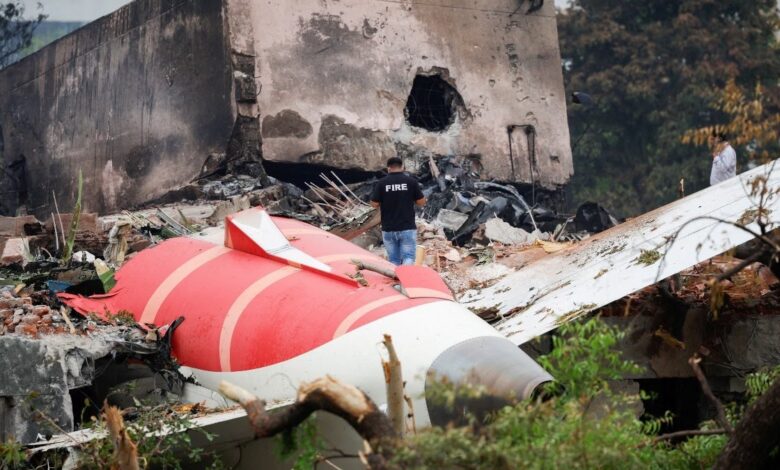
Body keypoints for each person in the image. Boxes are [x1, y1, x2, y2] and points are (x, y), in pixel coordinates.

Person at [370, 157, 426, 265]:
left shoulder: (382, 183)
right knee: (408, 257)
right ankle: (406, 276)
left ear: (388, 168)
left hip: (388, 228)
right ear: (402, 167)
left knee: (393, 260)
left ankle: (395, 276)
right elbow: (421, 202)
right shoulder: (411, 182)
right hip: (407, 227)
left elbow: (374, 204)